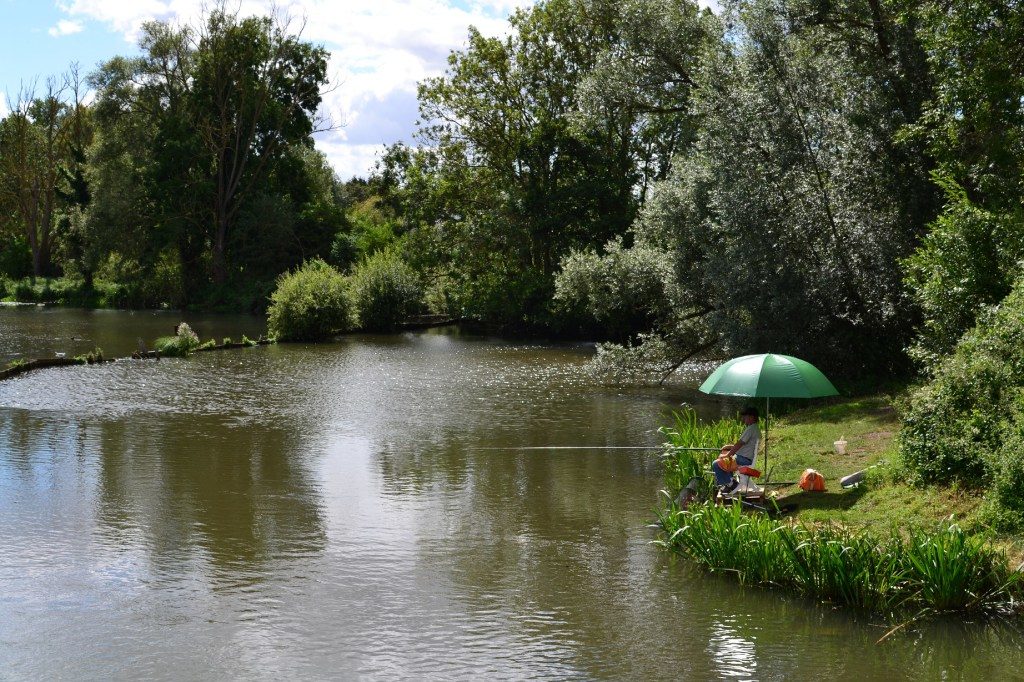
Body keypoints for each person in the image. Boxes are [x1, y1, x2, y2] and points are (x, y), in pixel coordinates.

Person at [712, 407, 760, 491]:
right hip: (745, 458)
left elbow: (740, 444)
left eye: (745, 417)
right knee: (725, 459)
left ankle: (731, 484)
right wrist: (729, 447)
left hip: (744, 460)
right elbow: (745, 445)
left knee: (716, 463)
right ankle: (730, 482)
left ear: (751, 417)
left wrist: (728, 454)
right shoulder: (755, 428)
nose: (743, 419)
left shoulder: (751, 429)